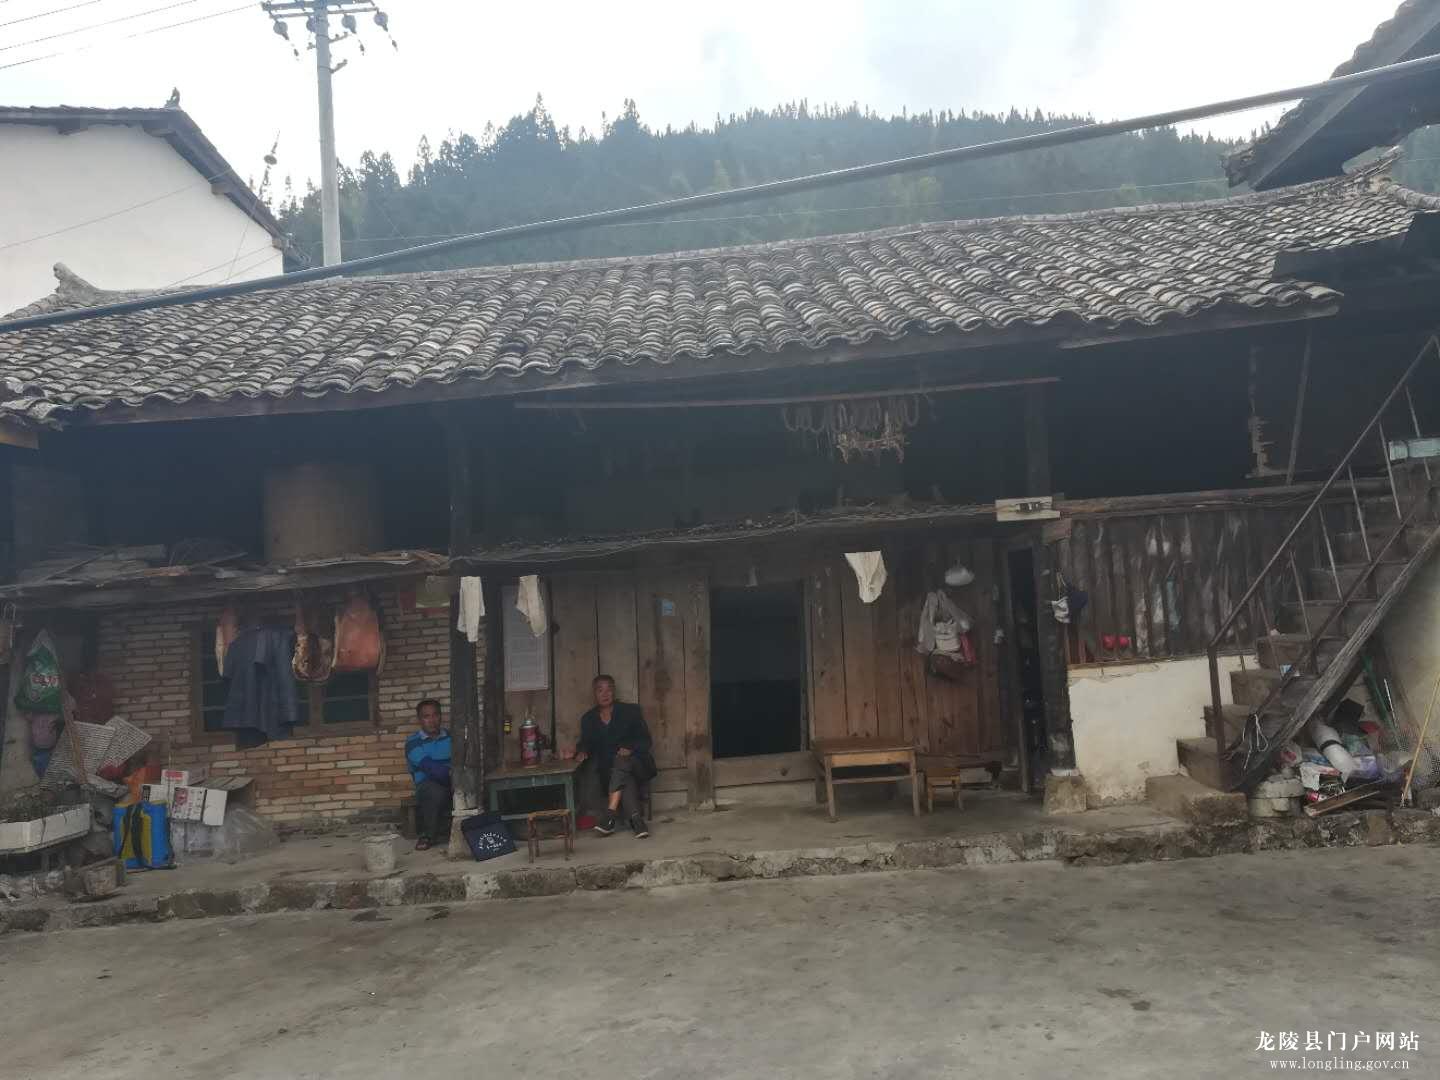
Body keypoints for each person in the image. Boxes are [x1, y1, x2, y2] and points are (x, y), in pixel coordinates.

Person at [575, 674, 654, 838]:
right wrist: (582, 751)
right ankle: (637, 821)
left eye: (609, 690)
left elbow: (646, 741)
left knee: (622, 762)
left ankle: (610, 815)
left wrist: (630, 749)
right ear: (594, 693)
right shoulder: (589, 719)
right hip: (611, 773)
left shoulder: (630, 711)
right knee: (624, 775)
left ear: (614, 691)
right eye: (600, 690)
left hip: (637, 764)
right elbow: (586, 743)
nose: (605, 694)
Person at [404, 698, 452, 851]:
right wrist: (454, 777)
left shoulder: (451, 736)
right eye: (426, 716)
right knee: (434, 791)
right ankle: (428, 835)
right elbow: (431, 768)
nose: (432, 720)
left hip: (452, 780)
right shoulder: (413, 742)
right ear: (420, 720)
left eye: (435, 715)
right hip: (428, 784)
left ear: (441, 716)